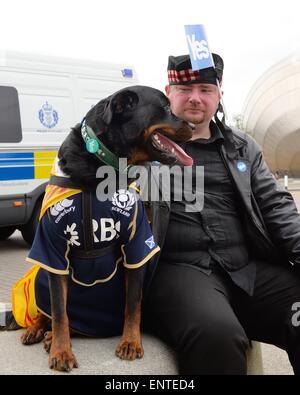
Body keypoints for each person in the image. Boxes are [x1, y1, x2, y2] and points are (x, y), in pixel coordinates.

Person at [142, 53, 300, 374]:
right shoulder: (142, 149)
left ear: (219, 95)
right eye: (185, 89)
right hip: (179, 273)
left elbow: (277, 207)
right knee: (218, 335)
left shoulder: (243, 147)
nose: (196, 98)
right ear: (167, 92)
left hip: (245, 271)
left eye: (205, 89)